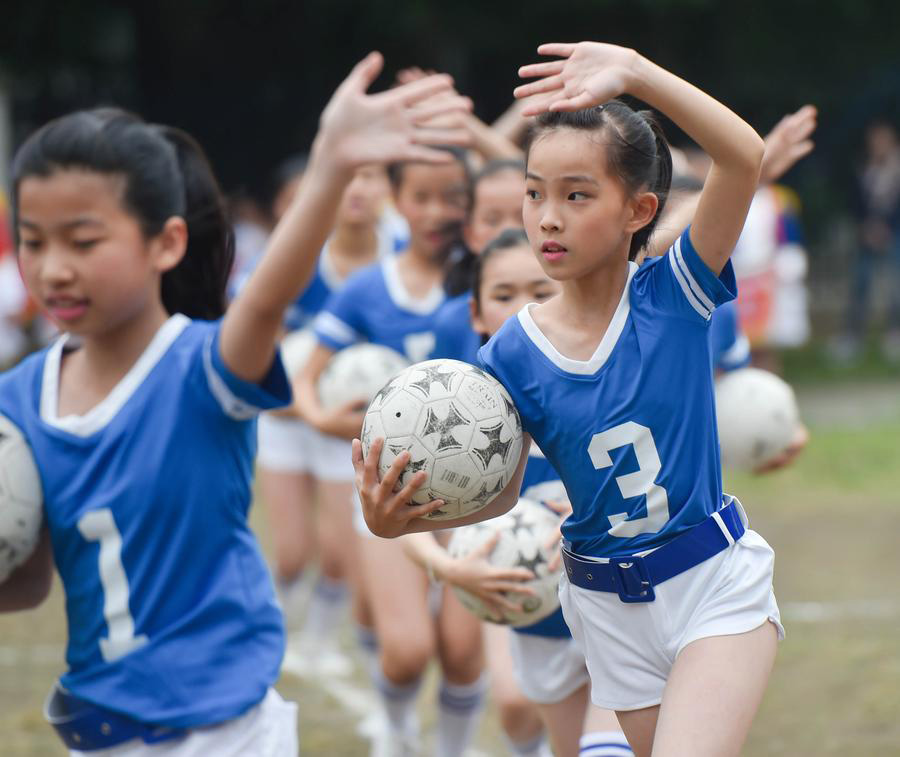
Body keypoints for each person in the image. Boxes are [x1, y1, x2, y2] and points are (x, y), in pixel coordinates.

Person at [0, 53, 469, 755]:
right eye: (33, 242)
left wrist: (333, 161)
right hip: (96, 732)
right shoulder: (19, 394)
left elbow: (268, 294)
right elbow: (26, 582)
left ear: (167, 242)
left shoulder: (201, 366)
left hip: (226, 733)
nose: (53, 267)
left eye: (83, 240)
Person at [356, 41, 783, 757]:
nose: (547, 216)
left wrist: (642, 73)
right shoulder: (509, 353)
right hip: (603, 607)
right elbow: (501, 491)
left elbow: (743, 156)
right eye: (534, 192)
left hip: (711, 582)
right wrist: (400, 518)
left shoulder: (674, 291)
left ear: (637, 209)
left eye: (576, 194)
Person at [407, 230, 632, 757]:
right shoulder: (454, 436)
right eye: (503, 295)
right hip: (540, 628)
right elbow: (408, 527)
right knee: (544, 729)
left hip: (626, 610)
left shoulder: (606, 388)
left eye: (540, 290)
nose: (522, 310)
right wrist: (450, 570)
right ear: (475, 313)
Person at [296, 146, 486, 757]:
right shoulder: (366, 287)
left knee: (460, 652)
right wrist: (319, 415)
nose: (437, 211)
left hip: (477, 493)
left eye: (453, 197)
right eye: (421, 197)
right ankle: (398, 734)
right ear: (396, 203)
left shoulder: (488, 280)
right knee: (405, 652)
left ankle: (452, 749)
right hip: (390, 492)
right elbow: (309, 372)